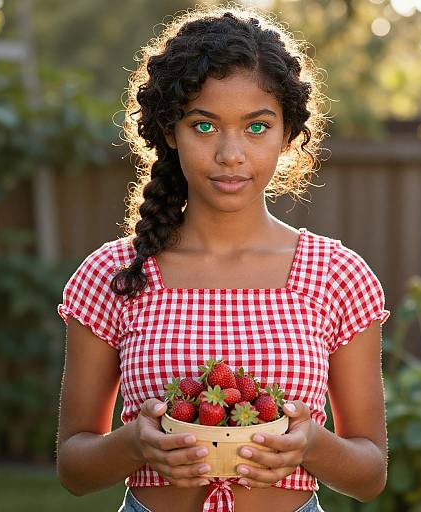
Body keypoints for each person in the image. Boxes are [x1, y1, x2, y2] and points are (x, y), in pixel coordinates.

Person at [56, 5, 390, 512]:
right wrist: (134, 444)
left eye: (257, 127)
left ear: (288, 134)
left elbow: (369, 474)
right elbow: (74, 468)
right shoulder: (115, 275)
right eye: (204, 126)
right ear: (170, 132)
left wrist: (313, 444)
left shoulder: (336, 275)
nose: (231, 154)